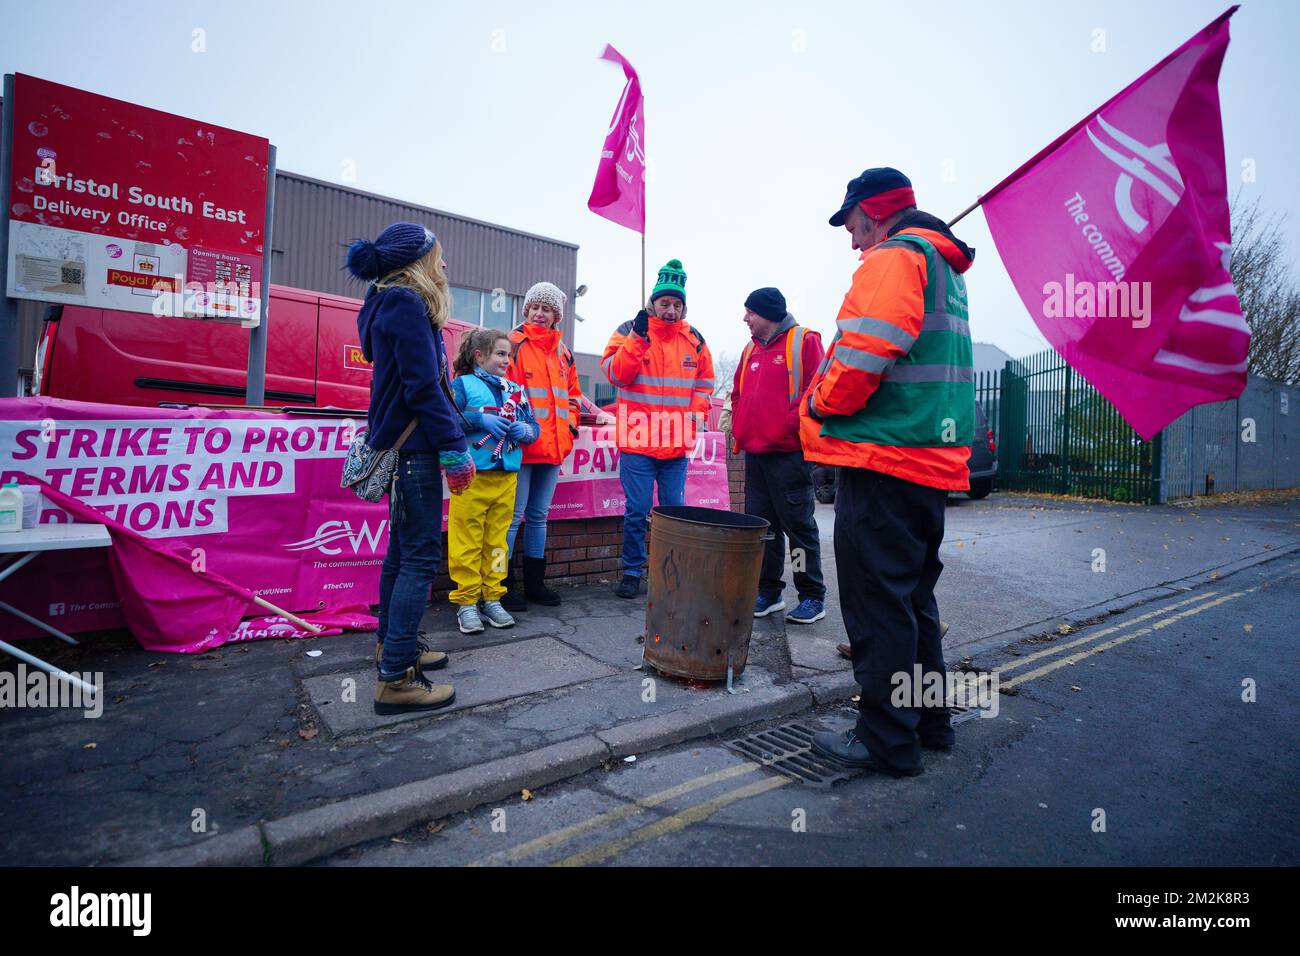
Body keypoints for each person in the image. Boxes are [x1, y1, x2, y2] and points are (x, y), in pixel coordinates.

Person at [801, 168, 976, 776]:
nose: (852, 240)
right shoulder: (943, 269)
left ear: (872, 212)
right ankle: (928, 723)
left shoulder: (895, 258)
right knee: (913, 601)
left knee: (879, 606)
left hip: (883, 459)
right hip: (928, 462)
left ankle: (885, 740)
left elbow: (862, 354)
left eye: (851, 224)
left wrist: (820, 404)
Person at [348, 222, 477, 716]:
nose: (444, 265)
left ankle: (392, 646)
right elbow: (422, 387)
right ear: (417, 261)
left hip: (404, 451)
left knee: (401, 555)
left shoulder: (384, 301)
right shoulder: (405, 303)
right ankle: (397, 678)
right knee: (420, 558)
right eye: (438, 256)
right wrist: (453, 447)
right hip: (415, 451)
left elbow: (416, 383)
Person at [601, 259, 714, 598]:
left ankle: (671, 573)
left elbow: (705, 385)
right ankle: (632, 572)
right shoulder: (628, 330)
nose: (671, 310)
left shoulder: (695, 339)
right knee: (636, 510)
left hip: (676, 445)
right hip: (637, 443)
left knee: (673, 514)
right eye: (665, 303)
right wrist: (637, 337)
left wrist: (694, 416)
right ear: (653, 302)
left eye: (677, 304)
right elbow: (616, 374)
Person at [730, 287, 827, 625]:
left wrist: (790, 425)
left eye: (750, 313)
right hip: (756, 455)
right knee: (764, 530)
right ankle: (769, 592)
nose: (745, 318)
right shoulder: (749, 350)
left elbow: (821, 386)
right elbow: (737, 394)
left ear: (767, 314)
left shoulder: (804, 340)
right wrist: (740, 429)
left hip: (789, 455)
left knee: (798, 529)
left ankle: (812, 596)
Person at [448, 328, 541, 634]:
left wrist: (524, 432)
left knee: (497, 542)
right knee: (467, 541)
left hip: (506, 478)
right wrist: (479, 419)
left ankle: (493, 597)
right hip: (472, 477)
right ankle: (466, 602)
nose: (507, 360)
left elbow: (533, 427)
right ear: (479, 355)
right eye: (501, 354)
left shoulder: (516, 390)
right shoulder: (462, 385)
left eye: (509, 355)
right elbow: (447, 419)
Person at [502, 282, 582, 611]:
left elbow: (574, 396)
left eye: (546, 309)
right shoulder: (512, 344)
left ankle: (535, 584)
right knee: (512, 517)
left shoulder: (563, 352)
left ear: (555, 316)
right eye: (535, 307)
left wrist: (571, 427)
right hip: (520, 447)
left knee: (537, 517)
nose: (539, 313)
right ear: (527, 309)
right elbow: (502, 390)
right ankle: (502, 586)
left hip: (553, 447)